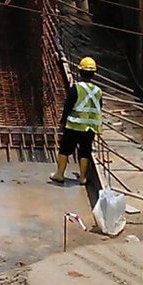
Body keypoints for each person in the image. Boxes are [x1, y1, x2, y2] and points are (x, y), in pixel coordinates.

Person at [50, 57, 102, 191]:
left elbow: (68, 106)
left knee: (65, 150)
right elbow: (98, 108)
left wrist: (62, 121)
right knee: (85, 151)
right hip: (90, 127)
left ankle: (60, 174)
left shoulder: (76, 88)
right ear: (94, 73)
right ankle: (83, 177)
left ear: (79, 71)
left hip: (74, 126)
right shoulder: (98, 91)